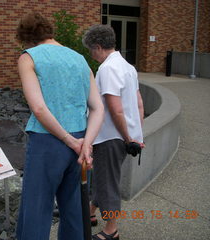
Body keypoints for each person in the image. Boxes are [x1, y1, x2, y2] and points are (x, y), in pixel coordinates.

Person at [15, 13, 104, 240]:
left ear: (27, 37)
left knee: (37, 209)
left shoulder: (29, 57)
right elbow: (97, 108)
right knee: (75, 209)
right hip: (80, 142)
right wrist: (86, 144)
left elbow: (39, 109)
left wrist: (68, 140)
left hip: (48, 142)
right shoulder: (80, 59)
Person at [82, 24, 145, 240]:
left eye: (91, 50)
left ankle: (111, 229)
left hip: (111, 136)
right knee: (104, 177)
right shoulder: (128, 67)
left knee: (108, 182)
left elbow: (115, 108)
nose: (92, 55)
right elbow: (138, 103)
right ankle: (90, 212)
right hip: (124, 135)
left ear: (98, 47)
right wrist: (136, 135)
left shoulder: (107, 69)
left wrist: (128, 138)